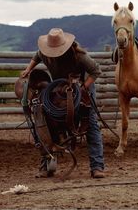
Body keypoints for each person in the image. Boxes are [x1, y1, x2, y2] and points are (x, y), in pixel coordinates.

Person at [21, 27, 105, 178]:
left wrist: (83, 87)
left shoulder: (78, 55)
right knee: (46, 122)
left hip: (82, 86)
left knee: (90, 123)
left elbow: (95, 71)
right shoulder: (44, 53)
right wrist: (28, 69)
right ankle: (47, 165)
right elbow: (37, 56)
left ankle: (97, 166)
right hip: (59, 87)